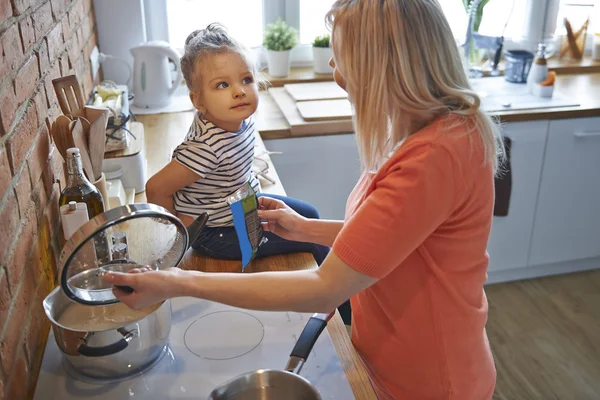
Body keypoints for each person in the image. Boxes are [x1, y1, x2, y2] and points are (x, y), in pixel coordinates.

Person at [105, 1, 504, 399]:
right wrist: (306, 228)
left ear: (382, 64)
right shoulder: (418, 130)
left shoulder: (434, 156)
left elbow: (325, 287)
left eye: (342, 59)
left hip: (428, 380)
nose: (336, 73)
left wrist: (178, 281)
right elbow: (397, 239)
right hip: (388, 360)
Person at [144, 23, 329, 268]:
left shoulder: (239, 118)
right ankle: (344, 306)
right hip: (215, 231)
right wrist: (175, 235)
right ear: (198, 100)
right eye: (223, 85)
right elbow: (155, 187)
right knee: (316, 239)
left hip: (241, 207)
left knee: (312, 217)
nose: (239, 91)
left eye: (246, 79)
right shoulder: (205, 147)